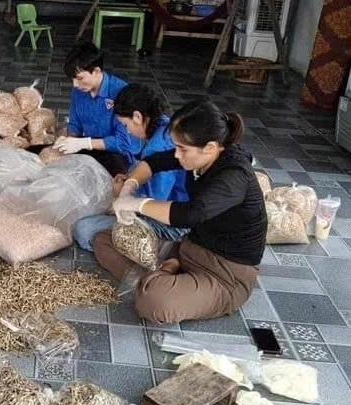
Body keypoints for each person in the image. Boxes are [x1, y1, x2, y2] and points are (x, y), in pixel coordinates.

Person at [94, 99, 267, 324]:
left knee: (154, 302)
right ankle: (165, 274)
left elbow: (191, 214)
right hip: (187, 249)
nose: (176, 154)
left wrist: (137, 204)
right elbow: (153, 162)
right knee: (103, 240)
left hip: (224, 274)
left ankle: (157, 281)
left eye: (182, 149)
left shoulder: (234, 175)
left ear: (211, 147)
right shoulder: (199, 157)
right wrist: (129, 186)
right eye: (175, 146)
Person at [73, 84, 189, 252]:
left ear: (137, 116)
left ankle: (163, 249)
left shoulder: (156, 149)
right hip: (175, 210)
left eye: (126, 125)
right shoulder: (164, 125)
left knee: (83, 230)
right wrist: (129, 179)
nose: (127, 131)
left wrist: (122, 194)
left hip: (172, 224)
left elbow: (154, 202)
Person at [54, 40, 133, 176]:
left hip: (117, 155)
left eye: (79, 78)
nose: (75, 84)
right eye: (72, 79)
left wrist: (85, 143)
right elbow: (75, 124)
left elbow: (123, 142)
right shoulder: (79, 91)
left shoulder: (121, 92)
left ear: (96, 71)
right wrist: (70, 141)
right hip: (89, 147)